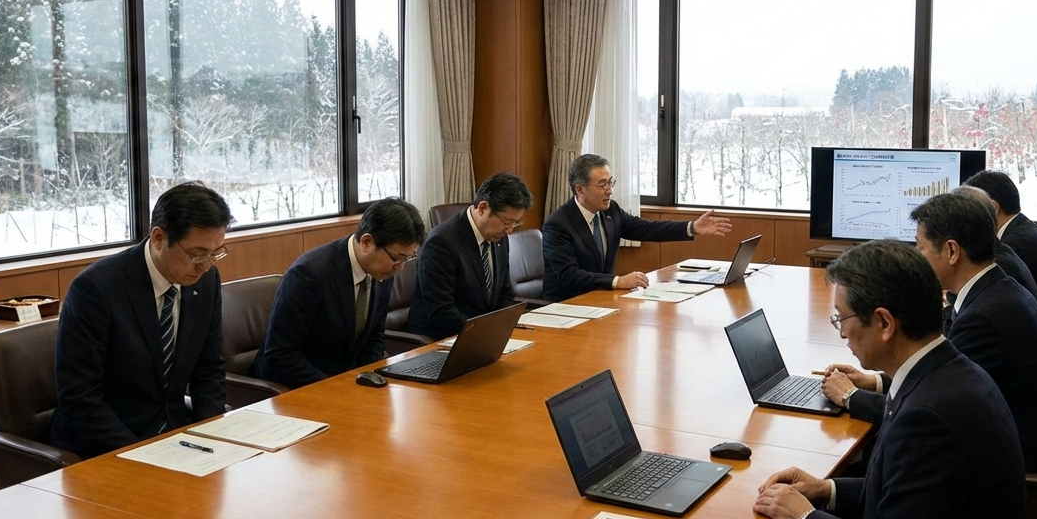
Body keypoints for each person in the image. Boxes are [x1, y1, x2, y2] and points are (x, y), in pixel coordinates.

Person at [732, 240, 1030, 519]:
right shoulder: (945, 372)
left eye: (842, 319)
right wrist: (826, 490)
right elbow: (910, 494)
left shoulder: (929, 417)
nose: (841, 334)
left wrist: (805, 518)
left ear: (885, 323)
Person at [822, 193, 1037, 474]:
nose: (916, 257)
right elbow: (928, 379)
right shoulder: (994, 290)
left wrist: (850, 396)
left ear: (952, 251)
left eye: (921, 247)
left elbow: (931, 403)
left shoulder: (983, 319)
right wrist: (875, 382)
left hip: (1028, 474)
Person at [51, 182, 234, 459]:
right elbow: (80, 398)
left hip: (172, 437)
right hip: (103, 445)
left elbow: (208, 368)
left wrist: (211, 436)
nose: (206, 265)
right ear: (159, 237)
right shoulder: (96, 289)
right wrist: (144, 454)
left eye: (215, 253)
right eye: (197, 254)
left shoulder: (205, 281)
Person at [251, 197, 426, 390]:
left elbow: (374, 336)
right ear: (367, 242)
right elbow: (280, 355)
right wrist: (337, 388)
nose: (400, 267)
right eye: (397, 258)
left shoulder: (382, 269)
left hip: (346, 382)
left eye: (408, 258)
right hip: (297, 387)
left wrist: (372, 378)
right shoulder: (309, 275)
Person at [542, 153, 732, 301]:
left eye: (610, 182)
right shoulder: (558, 224)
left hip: (602, 300)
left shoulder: (610, 211)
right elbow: (569, 275)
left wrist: (692, 227)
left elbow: (647, 229)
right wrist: (617, 281)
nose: (609, 190)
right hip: (568, 305)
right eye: (602, 184)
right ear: (580, 189)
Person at [409, 172, 533, 340]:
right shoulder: (442, 242)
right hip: (441, 339)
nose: (510, 230)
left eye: (516, 223)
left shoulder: (498, 237)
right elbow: (441, 312)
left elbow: (503, 295)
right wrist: (485, 333)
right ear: (483, 208)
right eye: (506, 222)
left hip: (480, 335)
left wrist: (516, 322)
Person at [964, 169, 1037, 339]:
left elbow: (992, 305)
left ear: (993, 208)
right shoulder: (1023, 230)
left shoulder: (1012, 245)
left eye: (968, 209)